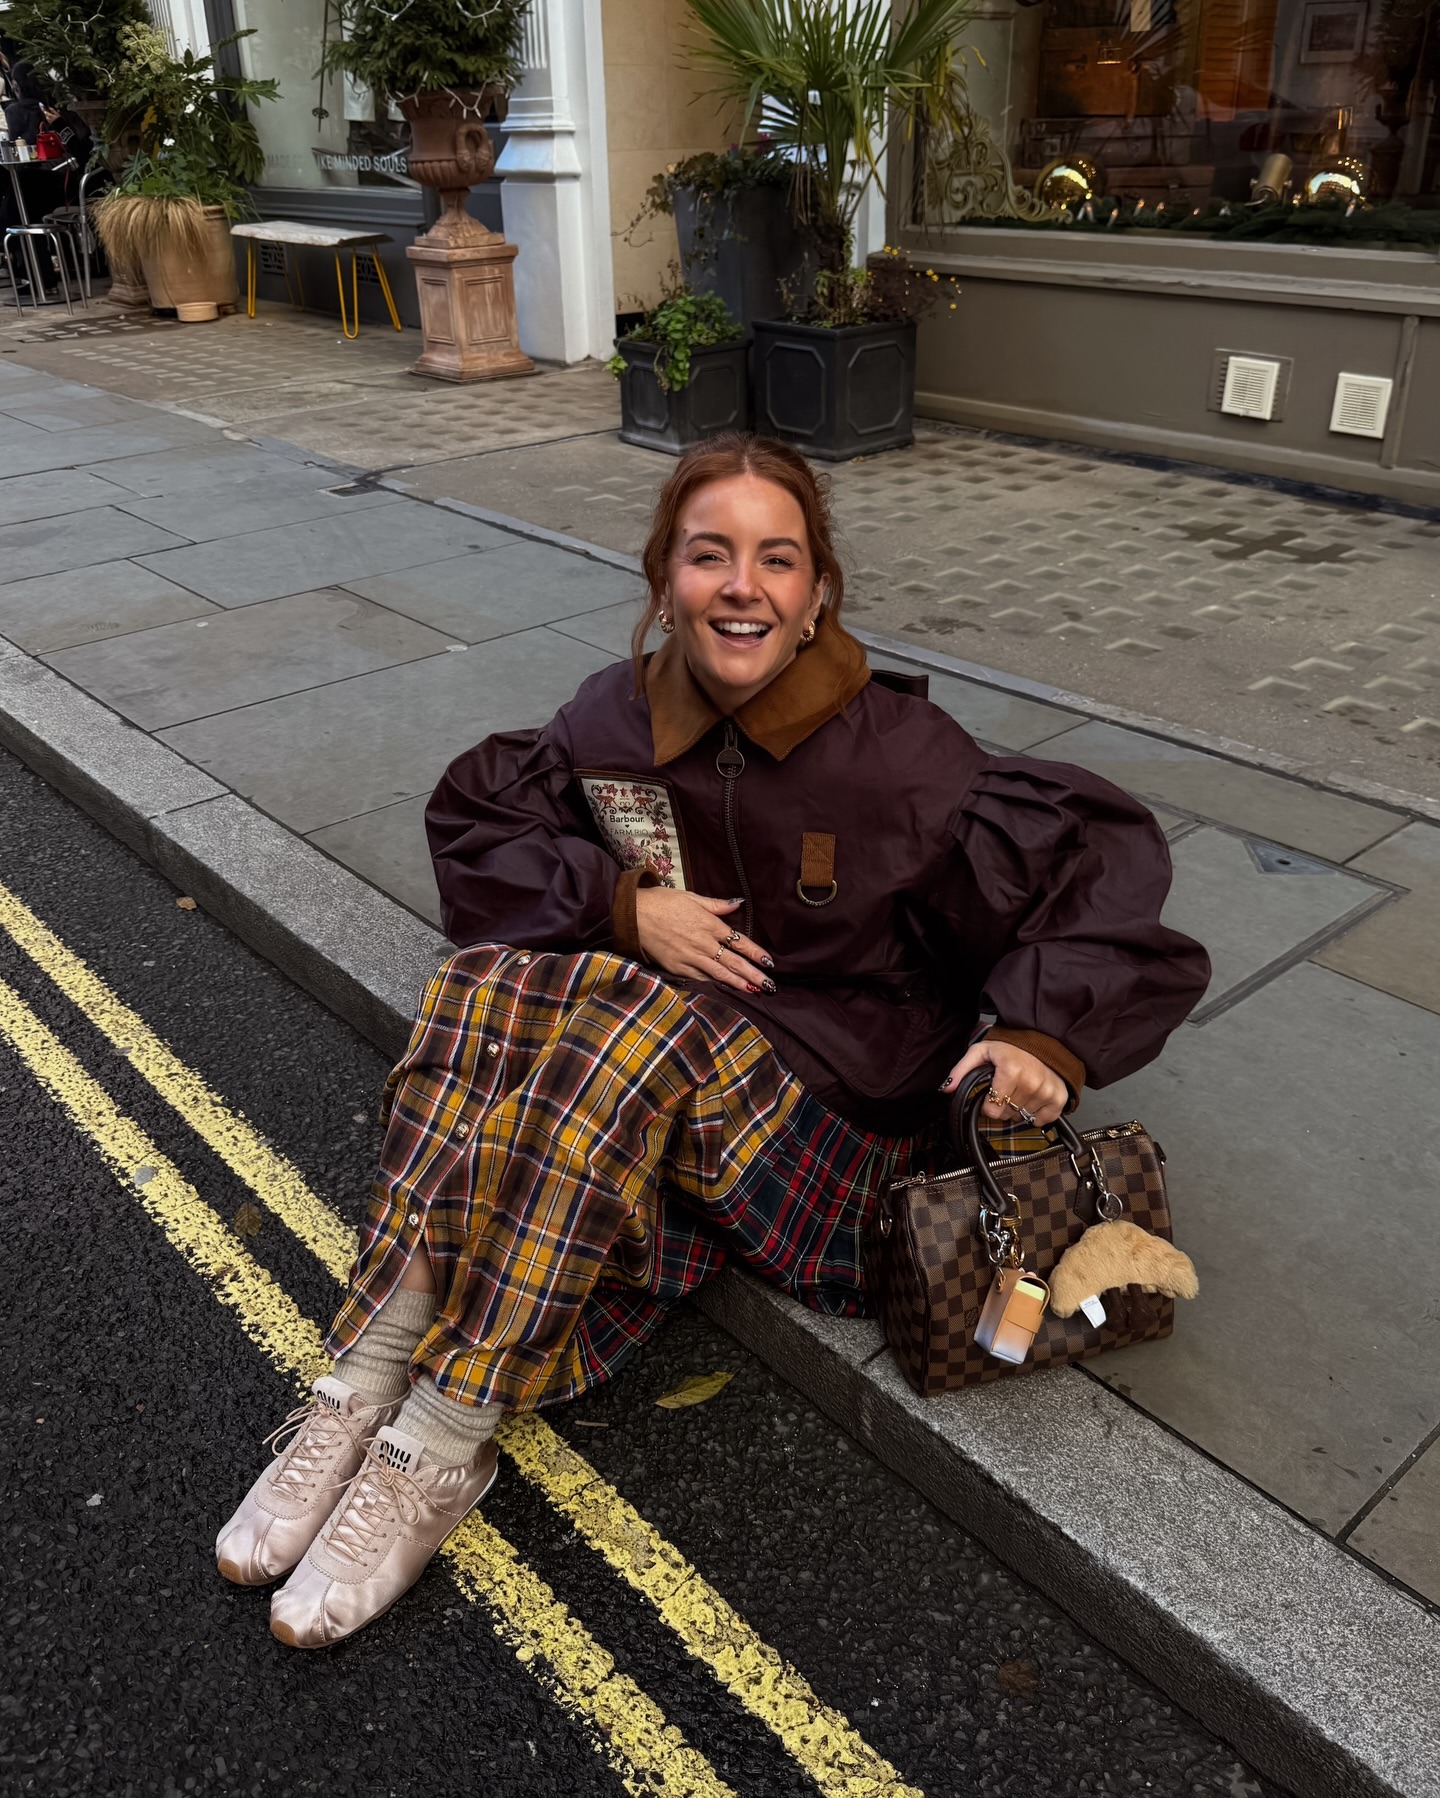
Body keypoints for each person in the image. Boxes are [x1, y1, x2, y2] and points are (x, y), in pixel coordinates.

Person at [216, 433, 1210, 1649]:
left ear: (816, 597)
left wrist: (1042, 1033)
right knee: (484, 983)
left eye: (776, 559)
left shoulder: (906, 760)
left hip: (840, 1133)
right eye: (709, 555)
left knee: (625, 1025)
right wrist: (624, 903)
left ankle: (441, 1440)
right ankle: (369, 1376)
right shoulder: (613, 718)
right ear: (664, 580)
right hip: (669, 1091)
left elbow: (1090, 865)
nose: (743, 583)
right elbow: (483, 816)